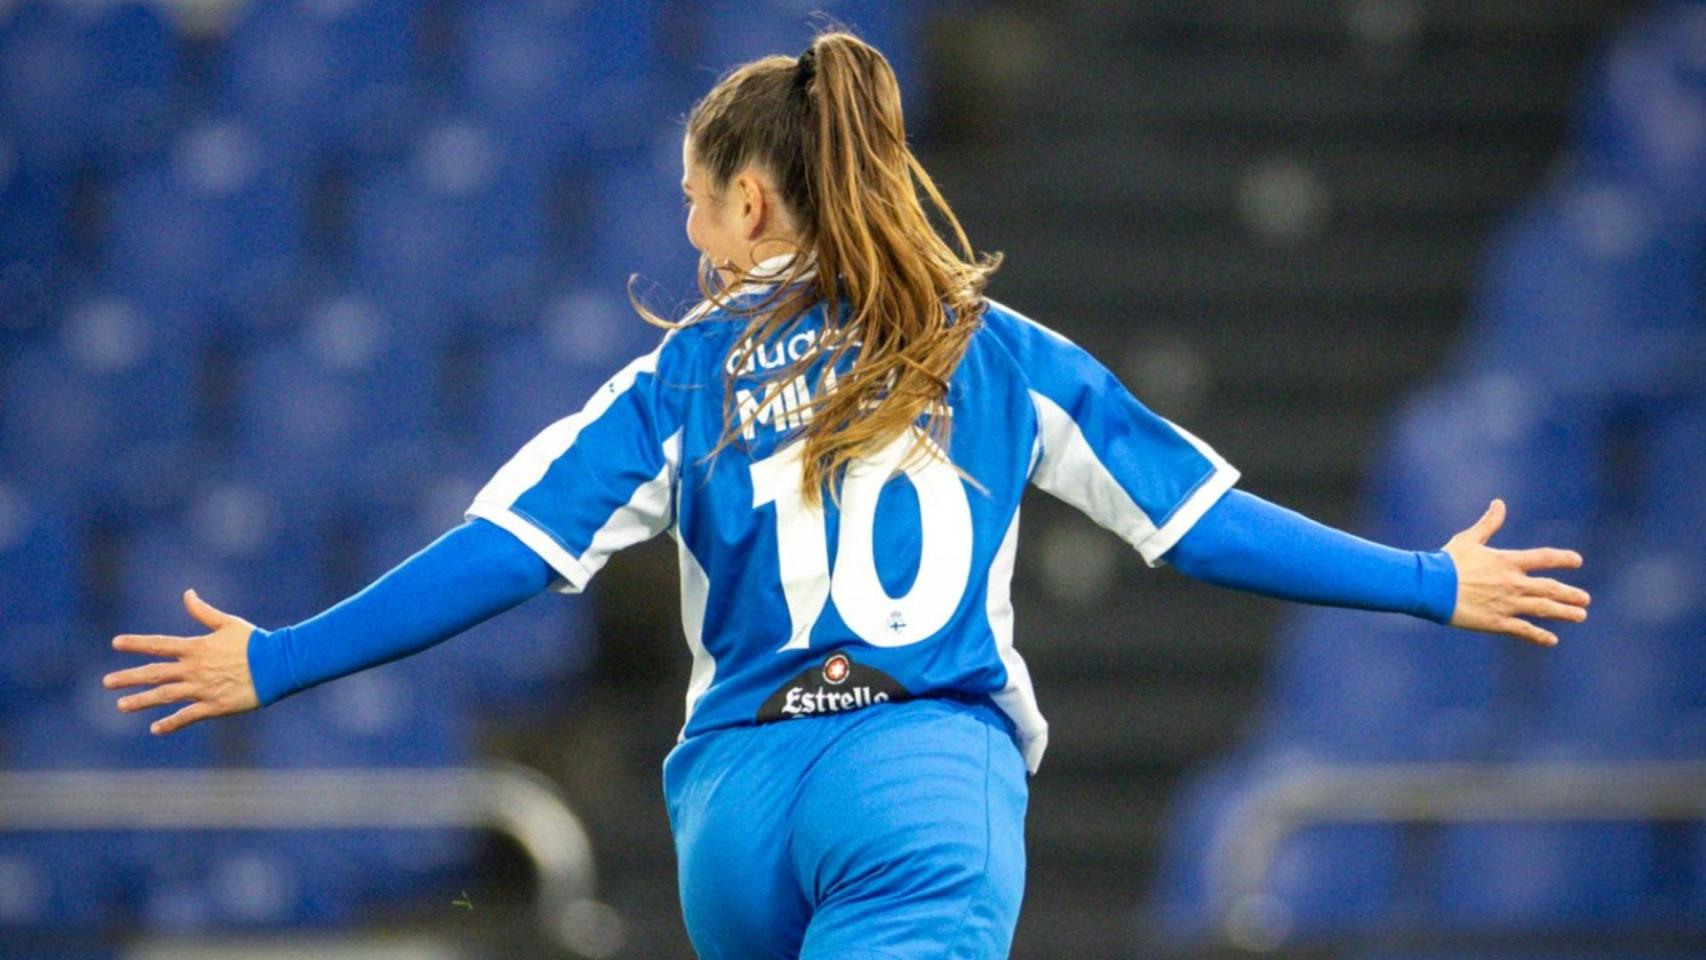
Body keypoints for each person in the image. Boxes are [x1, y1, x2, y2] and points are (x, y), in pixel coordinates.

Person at [104, 32, 1590, 960]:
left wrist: (279, 658)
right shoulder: (1002, 354)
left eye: (695, 198)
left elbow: (504, 553)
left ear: (751, 202)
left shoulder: (675, 380)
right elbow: (1198, 525)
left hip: (735, 817)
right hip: (917, 788)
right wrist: (1426, 581)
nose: (684, 231)